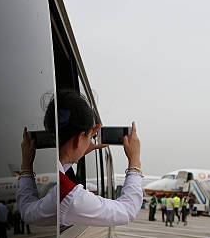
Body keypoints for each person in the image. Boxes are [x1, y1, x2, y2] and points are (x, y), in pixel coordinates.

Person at [17, 90, 142, 229]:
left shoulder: (61, 186)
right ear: (79, 138)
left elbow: (27, 209)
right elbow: (127, 210)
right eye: (89, 136)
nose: (90, 141)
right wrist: (134, 161)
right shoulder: (71, 198)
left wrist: (26, 165)